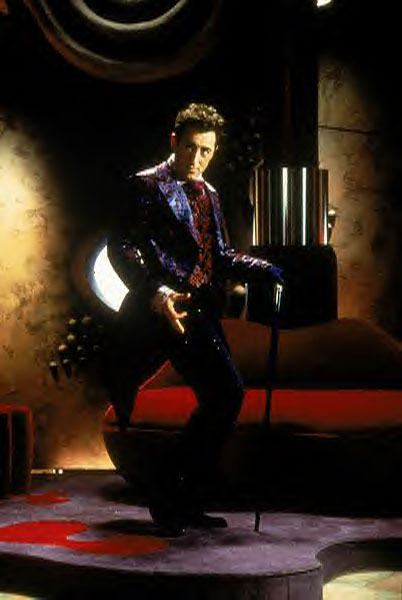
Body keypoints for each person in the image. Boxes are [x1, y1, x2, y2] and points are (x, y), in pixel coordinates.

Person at [106, 102, 283, 536]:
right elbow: (120, 246)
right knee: (226, 393)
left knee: (222, 398)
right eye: (190, 147)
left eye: (206, 150)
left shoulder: (210, 194)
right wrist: (156, 293)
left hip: (201, 306)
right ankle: (169, 495)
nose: (197, 158)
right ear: (174, 141)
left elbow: (219, 255)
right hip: (165, 309)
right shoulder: (147, 185)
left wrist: (262, 268)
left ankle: (179, 498)